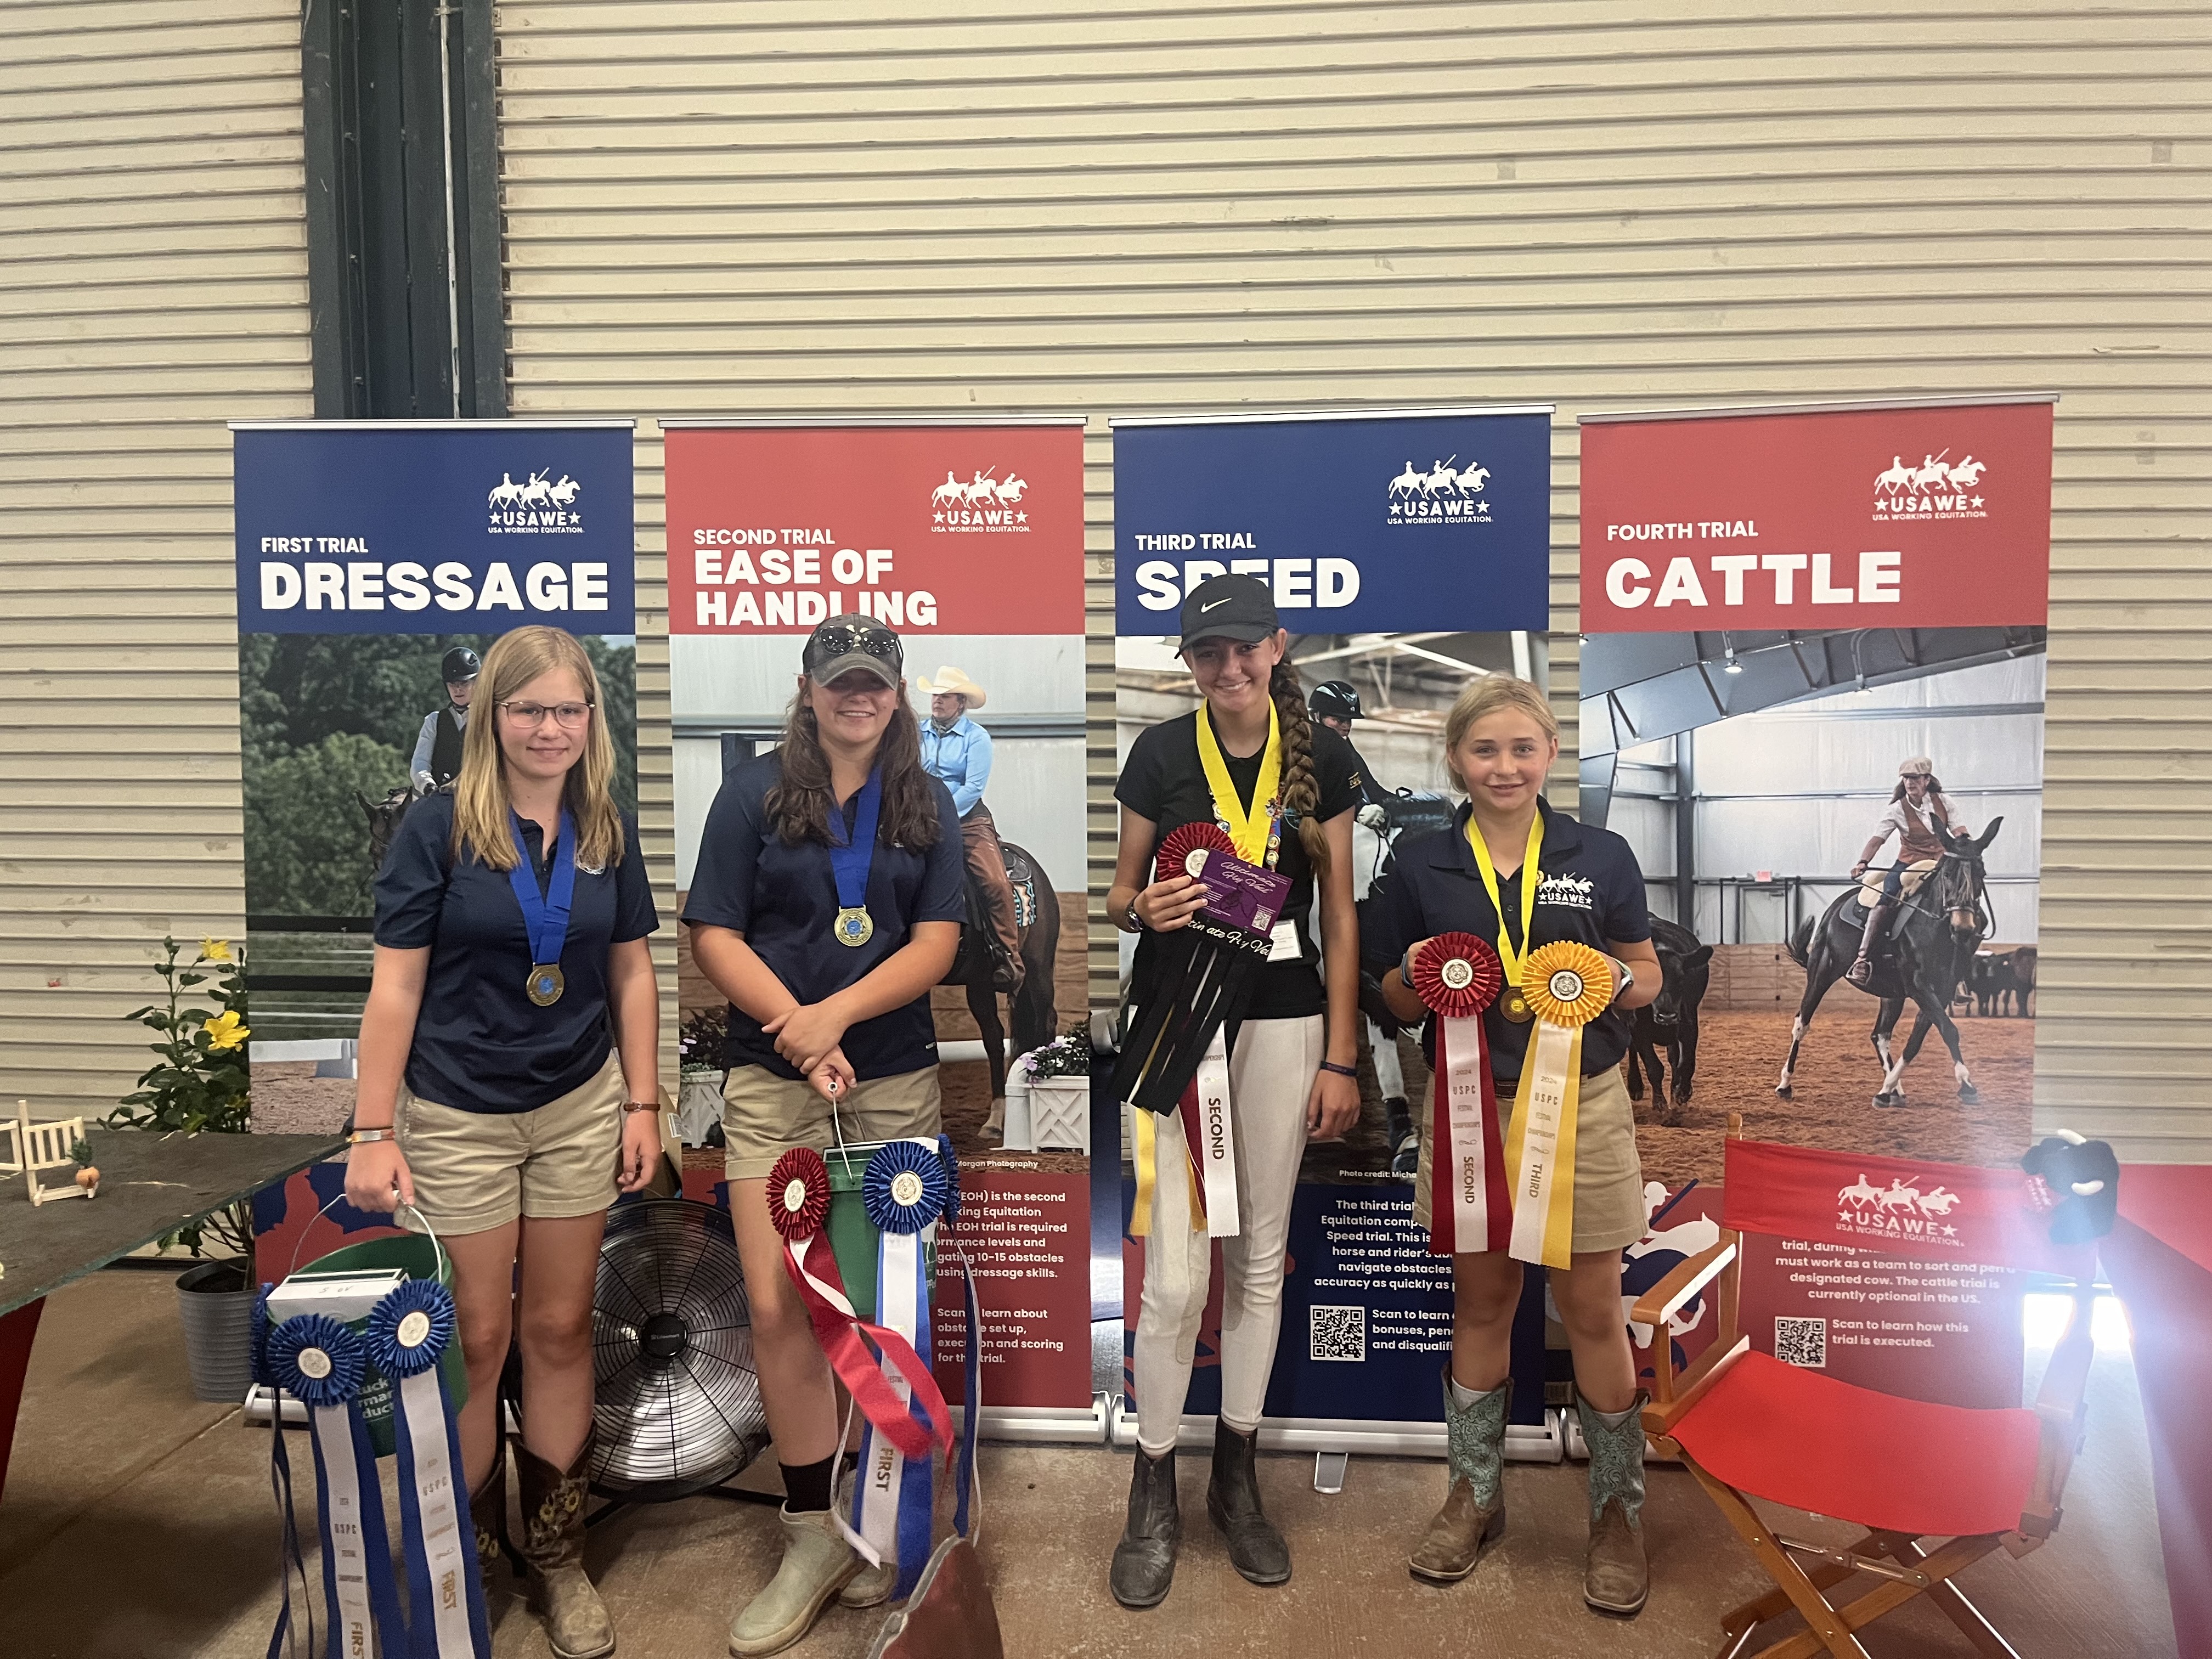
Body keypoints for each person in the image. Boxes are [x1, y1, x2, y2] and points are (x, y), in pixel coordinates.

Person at [346, 625, 662, 1659]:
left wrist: (642, 1101)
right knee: (478, 1338)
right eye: (529, 708)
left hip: (577, 1104)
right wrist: (373, 1126)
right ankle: (471, 1556)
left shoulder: (605, 823)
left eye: (569, 708)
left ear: (590, 719)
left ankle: (559, 1553)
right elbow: (395, 985)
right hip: (457, 1113)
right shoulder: (436, 827)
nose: (550, 727)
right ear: (491, 714)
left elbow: (630, 973)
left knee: (564, 1329)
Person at [683, 614, 965, 1657]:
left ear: (894, 695)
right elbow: (713, 929)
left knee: (885, 1302)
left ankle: (885, 1513)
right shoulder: (751, 792)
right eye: (839, 681)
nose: (857, 697)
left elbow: (936, 941)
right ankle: (810, 1530)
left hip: (890, 1082)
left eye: (874, 683)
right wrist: (798, 1036)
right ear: (807, 688)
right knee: (776, 1304)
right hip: (773, 1080)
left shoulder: (924, 798)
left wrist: (834, 1018)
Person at [1365, 674, 1663, 1616]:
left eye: (1521, 748)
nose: (1504, 766)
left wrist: (1610, 974)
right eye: (1485, 749)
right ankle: (1475, 1492)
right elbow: (1392, 997)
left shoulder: (1600, 852)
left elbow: (1647, 973)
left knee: (1592, 1307)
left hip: (1586, 1104)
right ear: (1456, 758)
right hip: (1464, 1106)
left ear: (1547, 756)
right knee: (1483, 1298)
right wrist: (1418, 977)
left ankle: (1616, 1507)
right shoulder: (1419, 861)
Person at [1105, 574, 1363, 1609]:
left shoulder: (1327, 757)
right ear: (1189, 662)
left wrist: (1343, 1054)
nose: (1227, 668)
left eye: (1243, 648)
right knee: (1175, 1277)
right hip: (1176, 1025)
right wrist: (1145, 906)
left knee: (1260, 1253)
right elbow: (1121, 892)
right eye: (1206, 653)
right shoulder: (1160, 752)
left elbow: (1340, 914)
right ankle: (1151, 1481)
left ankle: (1237, 1478)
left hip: (1288, 1018)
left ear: (1277, 644)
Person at [1309, 678, 1418, 1175]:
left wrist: (1388, 805)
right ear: (1316, 716)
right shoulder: (1302, 753)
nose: (1344, 728)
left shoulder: (1344, 749)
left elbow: (1370, 792)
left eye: (1348, 721)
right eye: (1337, 720)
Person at [915, 665, 1023, 992]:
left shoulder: (977, 738)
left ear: (960, 703)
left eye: (945, 696)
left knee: (993, 881)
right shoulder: (916, 733)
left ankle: (1008, 956)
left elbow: (973, 787)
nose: (937, 701)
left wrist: (943, 815)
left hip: (967, 820)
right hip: (919, 817)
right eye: (935, 695)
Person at [1847, 755, 1974, 986]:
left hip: (1940, 861)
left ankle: (1958, 972)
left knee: (1961, 895)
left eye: (1914, 778)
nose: (1909, 782)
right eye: (1906, 778)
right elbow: (1878, 839)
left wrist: (1967, 846)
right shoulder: (1896, 809)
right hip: (1908, 862)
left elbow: (1958, 829)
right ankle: (1863, 959)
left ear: (1927, 779)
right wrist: (1863, 861)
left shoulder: (1944, 801)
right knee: (1888, 893)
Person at [410, 644, 482, 794]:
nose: (458, 689)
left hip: (481, 798)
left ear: (477, 683)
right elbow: (420, 763)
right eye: (452, 684)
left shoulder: (490, 720)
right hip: (440, 797)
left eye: (464, 683)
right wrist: (428, 785)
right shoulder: (434, 721)